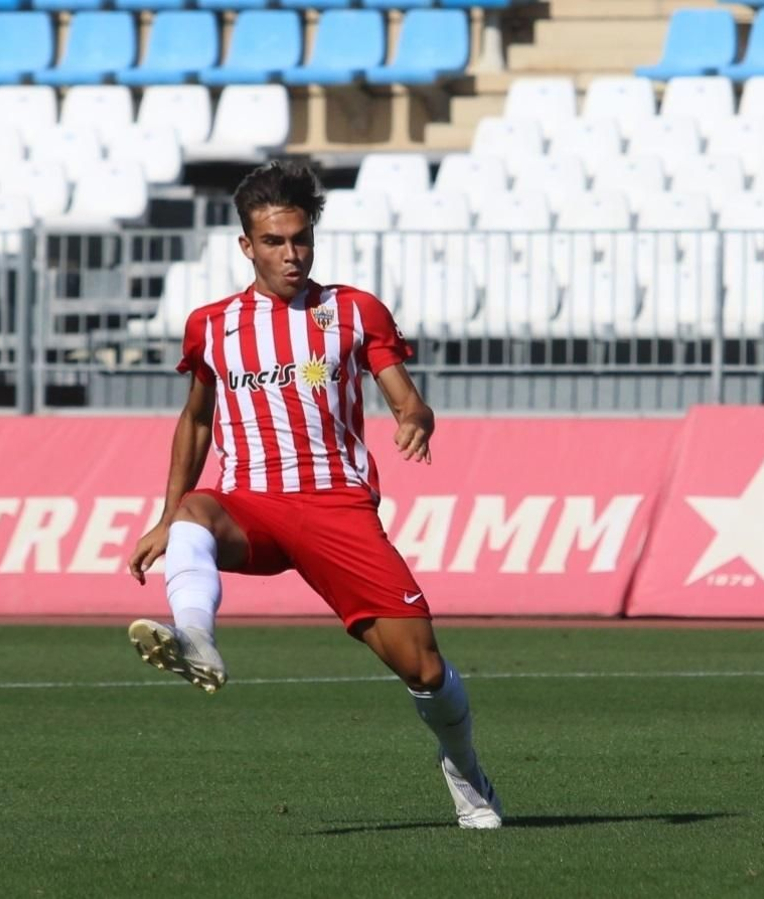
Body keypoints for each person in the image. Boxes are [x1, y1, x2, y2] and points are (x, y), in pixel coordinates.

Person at [123, 160, 502, 830]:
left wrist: (416, 419)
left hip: (336, 507)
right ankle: (196, 636)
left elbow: (405, 397)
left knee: (423, 668)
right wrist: (165, 514)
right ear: (247, 245)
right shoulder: (212, 325)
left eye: (300, 239)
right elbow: (198, 420)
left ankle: (464, 767)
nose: (291, 254)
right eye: (274, 242)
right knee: (194, 514)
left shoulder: (352, 311)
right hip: (251, 505)